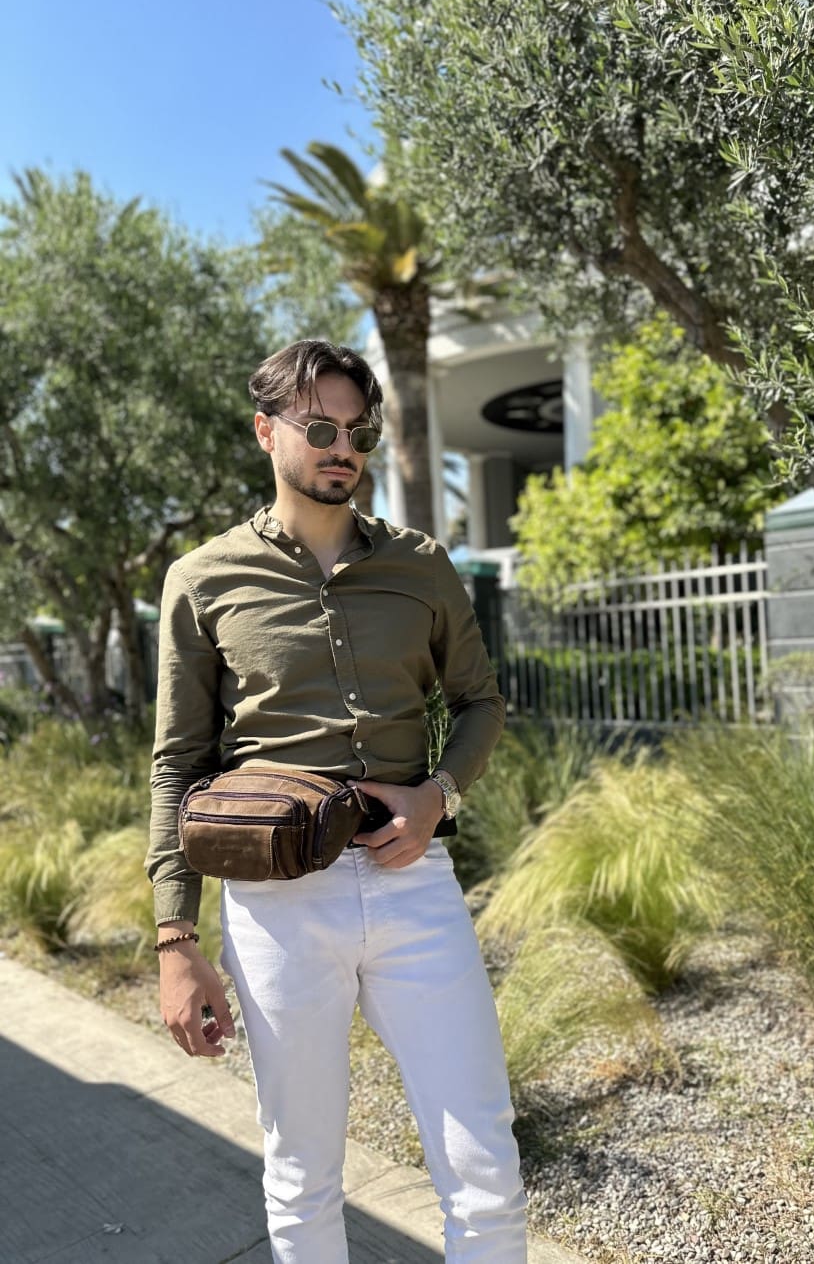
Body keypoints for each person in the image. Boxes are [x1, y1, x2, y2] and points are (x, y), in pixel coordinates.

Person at [146, 338, 528, 1263]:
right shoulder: (203, 579)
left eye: (359, 432)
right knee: (302, 1170)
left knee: (484, 1165)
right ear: (266, 431)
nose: (342, 448)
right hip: (276, 903)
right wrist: (174, 941)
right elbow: (177, 764)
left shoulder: (421, 565)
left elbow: (479, 703)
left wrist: (438, 795)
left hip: (412, 883)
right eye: (319, 428)